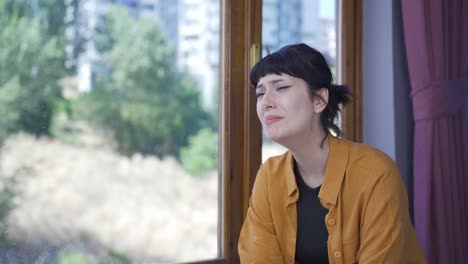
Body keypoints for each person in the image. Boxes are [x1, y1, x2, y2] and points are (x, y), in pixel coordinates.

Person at [238, 43, 426, 263]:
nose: (266, 103)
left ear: (319, 100)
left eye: (280, 88)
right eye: (260, 93)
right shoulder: (269, 176)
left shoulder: (375, 173)